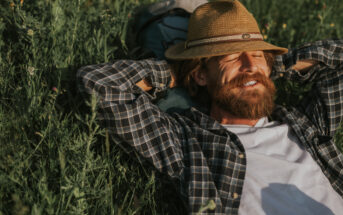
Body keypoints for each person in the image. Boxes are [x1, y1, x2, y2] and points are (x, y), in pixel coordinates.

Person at [77, 0, 343, 214]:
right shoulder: (187, 142)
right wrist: (178, 73)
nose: (250, 65)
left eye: (259, 55)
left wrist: (273, 68)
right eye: (232, 57)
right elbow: (99, 85)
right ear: (201, 75)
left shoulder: (305, 125)